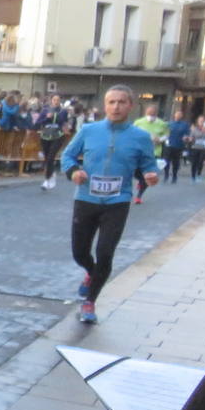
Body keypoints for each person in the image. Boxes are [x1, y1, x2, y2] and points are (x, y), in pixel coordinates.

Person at [59, 84, 159, 324]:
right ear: (105, 106)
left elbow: (149, 164)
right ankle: (91, 274)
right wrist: (73, 172)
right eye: (111, 102)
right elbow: (67, 156)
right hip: (86, 199)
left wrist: (150, 174)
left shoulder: (141, 137)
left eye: (121, 102)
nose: (116, 107)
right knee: (80, 252)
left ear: (130, 106)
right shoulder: (89, 130)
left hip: (118, 202)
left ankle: (90, 302)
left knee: (105, 253)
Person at [131, 103, 168, 203]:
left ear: (156, 114)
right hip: (137, 152)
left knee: (148, 175)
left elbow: (166, 135)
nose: (150, 117)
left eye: (152, 114)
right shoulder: (138, 122)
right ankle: (140, 181)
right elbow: (131, 134)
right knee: (135, 172)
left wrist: (159, 139)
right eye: (148, 114)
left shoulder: (162, 124)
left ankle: (139, 196)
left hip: (153, 152)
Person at [35, 94, 70, 190]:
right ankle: (51, 173)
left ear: (60, 101)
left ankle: (46, 180)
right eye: (54, 99)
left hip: (58, 136)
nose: (56, 101)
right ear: (51, 100)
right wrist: (47, 117)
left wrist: (64, 126)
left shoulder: (63, 111)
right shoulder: (45, 110)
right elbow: (38, 122)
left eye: (58, 100)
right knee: (47, 158)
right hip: (45, 136)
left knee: (51, 157)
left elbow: (64, 122)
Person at [162, 109, 189, 184]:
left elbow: (187, 134)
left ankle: (174, 176)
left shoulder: (184, 125)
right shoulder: (169, 124)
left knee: (176, 163)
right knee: (166, 161)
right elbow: (163, 132)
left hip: (179, 145)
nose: (178, 116)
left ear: (182, 116)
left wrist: (186, 137)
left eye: (180, 115)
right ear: (174, 115)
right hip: (169, 145)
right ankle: (166, 175)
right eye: (177, 114)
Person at [188, 114, 205, 183]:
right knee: (194, 162)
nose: (202, 122)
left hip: (204, 147)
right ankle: (192, 176)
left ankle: (198, 175)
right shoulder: (194, 129)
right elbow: (191, 137)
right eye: (200, 121)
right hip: (195, 147)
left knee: (200, 162)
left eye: (203, 121)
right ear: (197, 122)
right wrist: (190, 139)